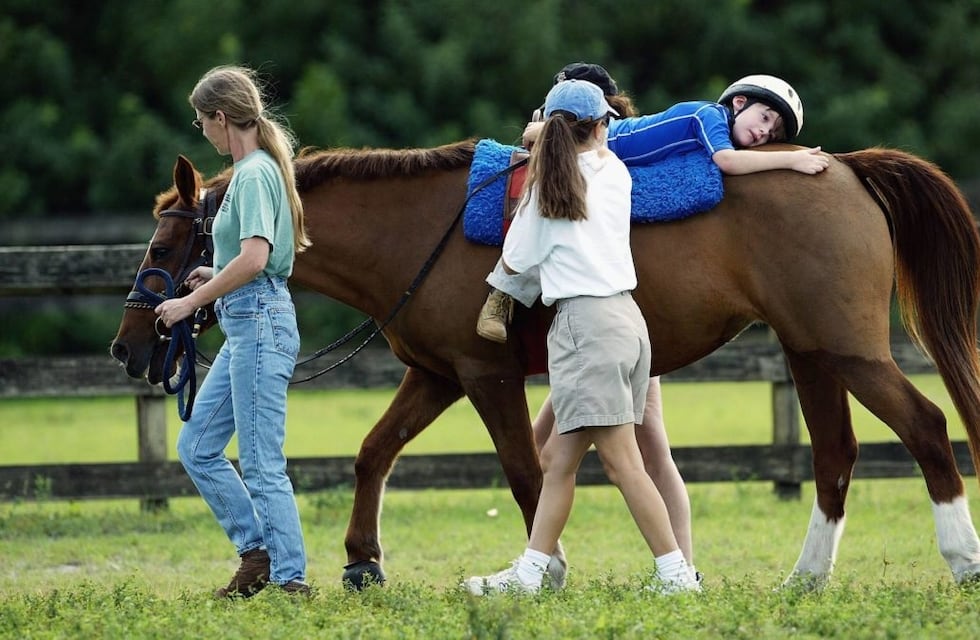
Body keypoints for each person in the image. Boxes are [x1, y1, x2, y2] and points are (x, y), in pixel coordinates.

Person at [462, 79, 700, 595]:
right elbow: (586, 149)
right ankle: (529, 574)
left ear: (550, 130)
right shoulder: (614, 172)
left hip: (585, 329)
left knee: (623, 464)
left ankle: (677, 575)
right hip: (629, 325)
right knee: (557, 460)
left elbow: (518, 259)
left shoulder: (545, 189)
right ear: (600, 127)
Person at [475, 69, 828, 343]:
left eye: (775, 134)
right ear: (739, 103)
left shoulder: (718, 125)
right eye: (765, 119)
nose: (766, 134)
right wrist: (791, 161)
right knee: (542, 200)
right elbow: (727, 162)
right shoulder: (710, 116)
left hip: (610, 145)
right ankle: (502, 294)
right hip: (604, 138)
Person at [154, 65, 312, 598]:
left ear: (221, 117)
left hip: (260, 322)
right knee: (197, 445)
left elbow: (257, 257)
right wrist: (211, 274)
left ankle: (291, 581)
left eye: (201, 122)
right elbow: (242, 259)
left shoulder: (253, 173)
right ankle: (257, 552)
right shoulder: (256, 171)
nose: (202, 131)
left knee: (264, 462)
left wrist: (190, 301)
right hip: (247, 321)